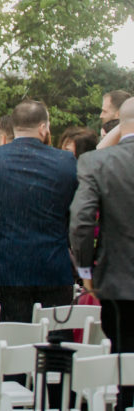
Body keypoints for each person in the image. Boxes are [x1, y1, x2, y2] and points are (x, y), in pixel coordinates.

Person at [0, 99, 77, 323]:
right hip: (53, 266)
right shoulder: (66, 161)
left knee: (9, 343)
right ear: (43, 127)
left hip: (6, 265)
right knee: (53, 346)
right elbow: (75, 212)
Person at [71, 96, 134, 410]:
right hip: (119, 279)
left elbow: (81, 222)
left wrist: (85, 271)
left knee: (123, 361)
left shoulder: (99, 162)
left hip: (118, 280)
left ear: (120, 126)